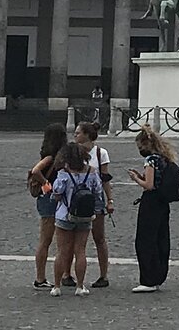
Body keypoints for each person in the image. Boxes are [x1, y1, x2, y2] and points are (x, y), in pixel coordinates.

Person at [129, 128, 179, 293]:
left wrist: (136, 178)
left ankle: (148, 279)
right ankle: (158, 275)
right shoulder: (164, 159)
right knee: (160, 238)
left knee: (145, 240)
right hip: (162, 203)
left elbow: (149, 185)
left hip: (151, 202)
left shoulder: (151, 160)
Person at [47, 141, 104, 295]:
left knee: (62, 251)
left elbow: (57, 194)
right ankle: (80, 286)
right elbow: (98, 192)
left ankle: (57, 286)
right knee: (81, 251)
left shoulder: (64, 173)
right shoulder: (91, 172)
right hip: (85, 216)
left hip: (65, 215)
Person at [26, 123, 68, 289]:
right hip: (49, 199)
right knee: (46, 239)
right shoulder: (51, 157)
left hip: (51, 199)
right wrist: (46, 183)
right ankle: (40, 277)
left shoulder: (53, 154)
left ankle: (60, 274)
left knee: (54, 239)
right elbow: (35, 171)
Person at [75, 120, 115, 290]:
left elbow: (105, 179)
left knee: (99, 237)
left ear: (87, 135)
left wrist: (110, 200)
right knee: (74, 238)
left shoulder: (101, 153)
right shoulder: (73, 151)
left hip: (95, 198)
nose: (75, 135)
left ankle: (103, 275)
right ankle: (68, 274)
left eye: (78, 132)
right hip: (76, 198)